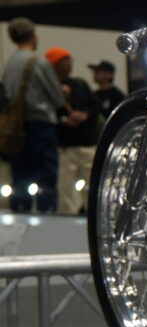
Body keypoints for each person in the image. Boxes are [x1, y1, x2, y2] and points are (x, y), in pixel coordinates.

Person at [2, 18, 82, 213]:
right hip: (40, 125)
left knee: (20, 175)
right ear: (32, 35)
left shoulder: (10, 63)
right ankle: (47, 215)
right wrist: (63, 92)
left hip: (16, 127)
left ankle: (20, 213)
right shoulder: (38, 62)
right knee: (46, 175)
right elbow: (56, 98)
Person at [49, 48, 100, 214]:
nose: (70, 63)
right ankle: (66, 218)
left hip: (85, 143)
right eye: (65, 60)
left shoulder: (79, 84)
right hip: (65, 146)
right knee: (65, 188)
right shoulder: (50, 87)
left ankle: (92, 216)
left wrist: (85, 114)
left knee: (91, 186)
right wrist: (64, 120)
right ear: (56, 64)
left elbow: (95, 105)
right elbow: (47, 112)